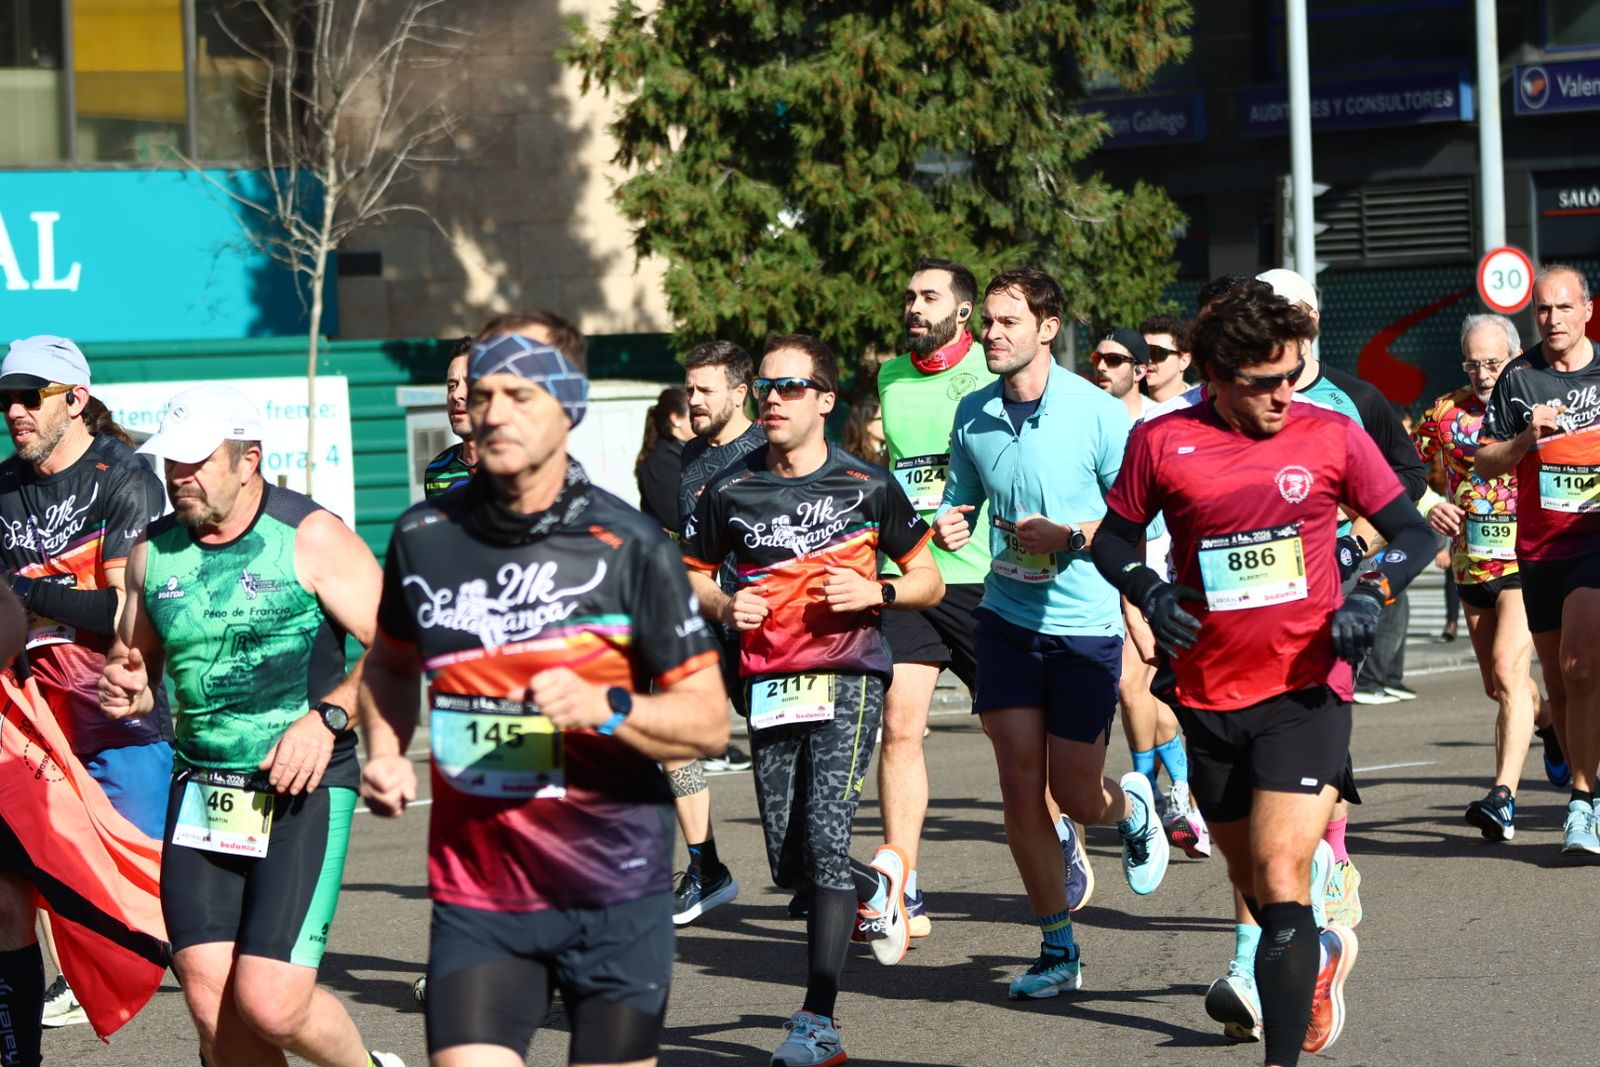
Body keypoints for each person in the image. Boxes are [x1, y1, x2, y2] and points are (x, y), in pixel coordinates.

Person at [357, 333, 727, 1067]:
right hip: (479, 889)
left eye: (519, 396)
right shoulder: (423, 535)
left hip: (612, 884)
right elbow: (391, 665)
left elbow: (709, 721)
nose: (493, 412)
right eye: (482, 395)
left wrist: (610, 706)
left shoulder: (626, 542)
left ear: (568, 409)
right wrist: (386, 749)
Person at [1093, 280, 1435, 1066]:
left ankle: (1280, 1049)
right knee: (1255, 882)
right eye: (1265, 381)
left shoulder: (1330, 434)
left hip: (1306, 687)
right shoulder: (1162, 441)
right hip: (1207, 693)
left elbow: (1412, 532)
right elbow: (1113, 538)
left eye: (1292, 374)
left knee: (1281, 875)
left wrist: (1371, 592)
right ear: (1215, 374)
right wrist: (1147, 588)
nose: (1285, 394)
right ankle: (1314, 950)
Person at [99, 383, 401, 1067]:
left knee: (271, 1003)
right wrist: (129, 686)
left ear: (248, 460)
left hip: (302, 787)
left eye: (197, 460)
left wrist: (327, 718)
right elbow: (135, 660)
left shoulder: (311, 535)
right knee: (211, 1002)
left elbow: (398, 645)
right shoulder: (152, 553)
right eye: (171, 461)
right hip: (204, 793)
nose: (179, 475)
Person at [682, 333, 941, 1066]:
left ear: (824, 400)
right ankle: (877, 885)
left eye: (790, 386)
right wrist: (724, 603)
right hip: (769, 682)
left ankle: (817, 1022)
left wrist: (877, 590)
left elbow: (928, 579)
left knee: (825, 842)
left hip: (848, 672)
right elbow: (692, 571)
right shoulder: (727, 489)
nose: (773, 399)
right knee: (791, 863)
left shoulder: (867, 484)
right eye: (766, 386)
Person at [931, 268, 1169, 1001]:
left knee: (1075, 791)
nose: (992, 334)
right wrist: (951, 521)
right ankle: (1057, 946)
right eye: (988, 322)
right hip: (1005, 619)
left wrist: (1068, 535)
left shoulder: (1098, 413)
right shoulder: (972, 412)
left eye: (1008, 322)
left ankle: (1133, 809)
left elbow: (1141, 521)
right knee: (1020, 791)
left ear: (1047, 328)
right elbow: (960, 496)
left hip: (1082, 625)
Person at [0, 335, 174, 1030]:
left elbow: (124, 610)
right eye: (6, 399)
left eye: (29, 396)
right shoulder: (1, 487)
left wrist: (22, 591)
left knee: (144, 905)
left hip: (116, 720)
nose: (14, 411)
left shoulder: (124, 478)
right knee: (19, 890)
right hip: (29, 726)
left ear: (75, 399)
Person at [872, 257, 1013, 944]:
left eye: (928, 296)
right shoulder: (890, 377)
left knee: (1011, 734)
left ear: (962, 312)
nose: (913, 306)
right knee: (900, 726)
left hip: (986, 575)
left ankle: (1062, 836)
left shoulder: (994, 370)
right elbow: (901, 469)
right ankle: (902, 881)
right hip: (909, 575)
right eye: (909, 295)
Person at [1412, 314, 1554, 841]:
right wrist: (1429, 503)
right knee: (1499, 687)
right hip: (1471, 563)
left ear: (1514, 357)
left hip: (1526, 561)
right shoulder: (1445, 412)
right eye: (1473, 364)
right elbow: (1398, 467)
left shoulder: (1540, 403)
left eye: (1493, 362)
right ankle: (1549, 724)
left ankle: (1502, 799)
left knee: (1508, 668)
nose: (1483, 373)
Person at [1476, 264, 1600, 855]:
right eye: (1543, 310)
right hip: (1540, 548)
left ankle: (1580, 803)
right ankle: (1590, 788)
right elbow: (1485, 462)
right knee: (1559, 682)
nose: (1553, 319)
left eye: (1564, 307)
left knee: (1581, 666)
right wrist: (1527, 438)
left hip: (1594, 541)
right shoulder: (1519, 377)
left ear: (1588, 311)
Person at [1088, 327, 1209, 859]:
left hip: (1156, 575)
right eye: (1097, 357)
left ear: (1140, 370)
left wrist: (1138, 598)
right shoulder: (1088, 419)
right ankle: (1167, 793)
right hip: (1102, 570)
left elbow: (1150, 524)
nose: (1102, 367)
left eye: (1116, 360)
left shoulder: (1160, 424)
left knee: (1148, 688)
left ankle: (1164, 795)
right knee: (1136, 689)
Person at [666, 340, 761, 927]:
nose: (693, 399)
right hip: (706, 620)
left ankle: (815, 868)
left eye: (705, 390)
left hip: (763, 626)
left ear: (739, 392)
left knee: (781, 754)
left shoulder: (769, 449)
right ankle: (706, 866)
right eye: (689, 389)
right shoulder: (690, 456)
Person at [422, 337, 478, 497]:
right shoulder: (437, 471)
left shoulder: (518, 465)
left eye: (469, 383)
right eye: (451, 386)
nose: (456, 395)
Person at [635, 386, 693, 527]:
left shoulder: (691, 451)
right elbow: (674, 519)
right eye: (694, 413)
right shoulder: (659, 462)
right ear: (675, 419)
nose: (701, 418)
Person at [1140, 313, 1194, 404]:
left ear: (1184, 361)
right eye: (1142, 352)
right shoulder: (1124, 407)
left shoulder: (1201, 406)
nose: (1148, 360)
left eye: (1157, 353)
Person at [840, 394, 885, 467]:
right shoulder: (854, 460)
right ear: (867, 424)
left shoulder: (889, 454)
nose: (887, 423)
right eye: (882, 419)